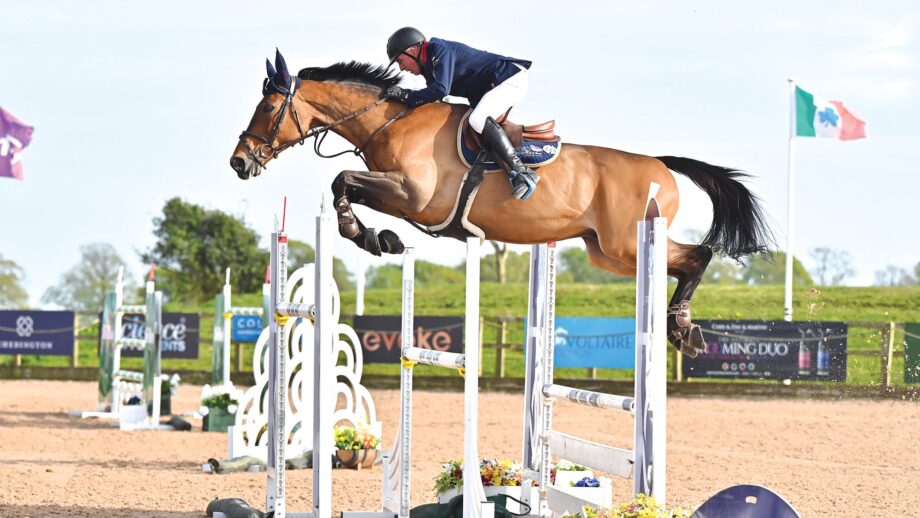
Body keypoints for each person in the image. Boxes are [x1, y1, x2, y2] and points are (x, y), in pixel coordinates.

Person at [384, 27, 540, 200]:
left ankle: (521, 172)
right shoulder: (429, 67)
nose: (401, 68)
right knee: (469, 124)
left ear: (412, 51)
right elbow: (433, 100)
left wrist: (406, 95)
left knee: (478, 120)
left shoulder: (439, 49)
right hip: (493, 86)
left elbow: (441, 90)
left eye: (400, 60)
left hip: (510, 78)